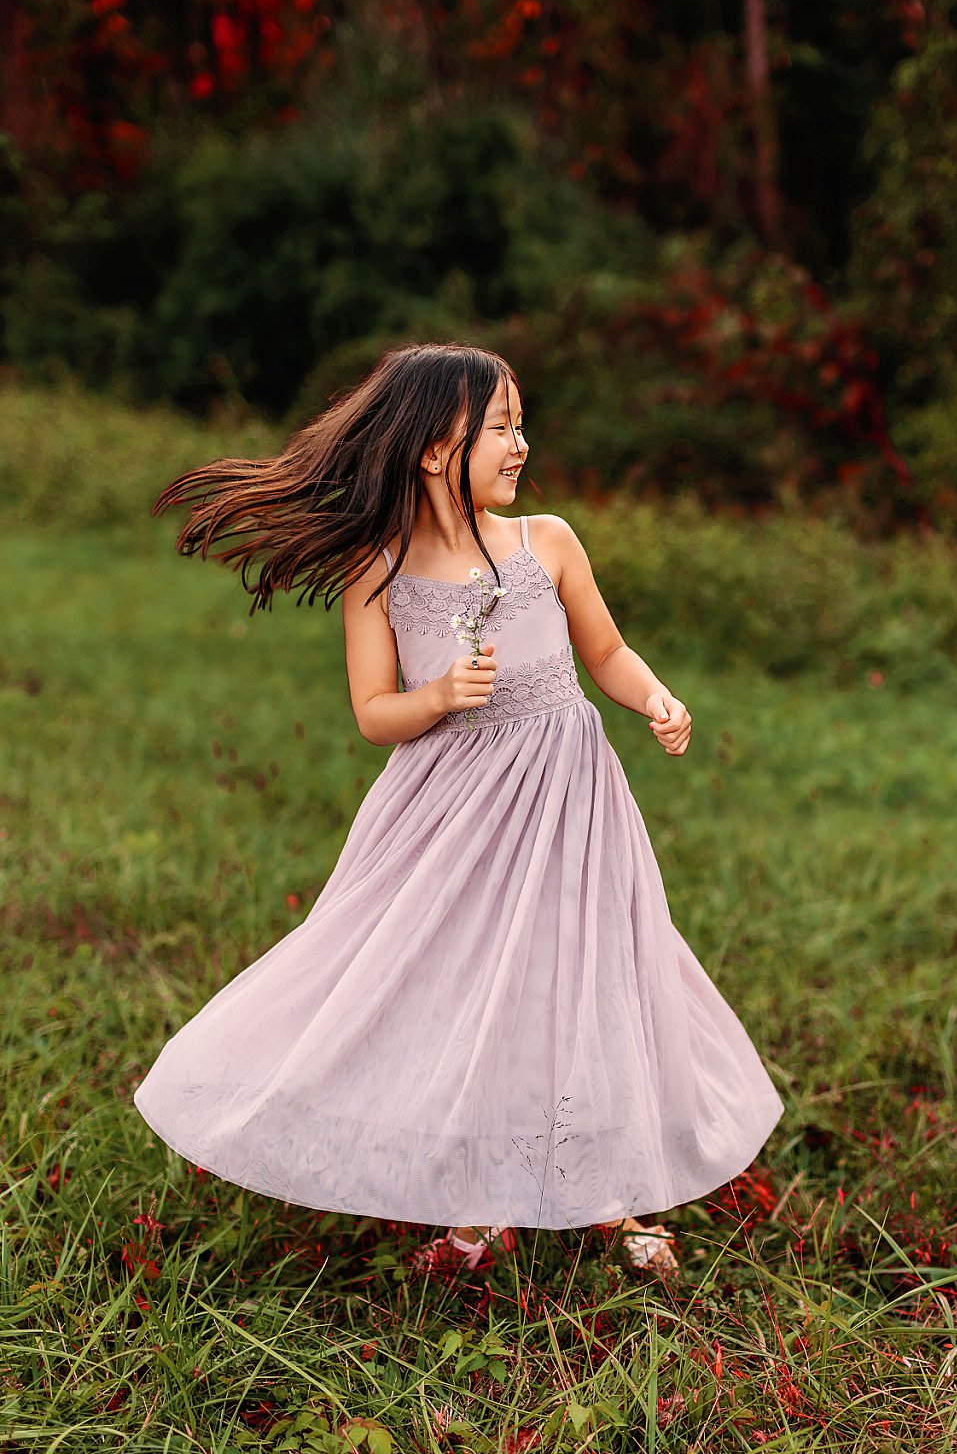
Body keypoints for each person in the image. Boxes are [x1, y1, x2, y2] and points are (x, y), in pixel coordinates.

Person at [134, 341, 783, 1279]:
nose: (523, 444)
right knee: (464, 982)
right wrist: (436, 696)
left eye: (523, 424)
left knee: (581, 972)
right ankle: (476, 1203)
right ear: (439, 448)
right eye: (504, 427)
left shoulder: (547, 542)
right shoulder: (380, 566)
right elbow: (372, 713)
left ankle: (612, 1192)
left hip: (567, 798)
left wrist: (655, 699)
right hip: (452, 814)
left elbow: (605, 652)